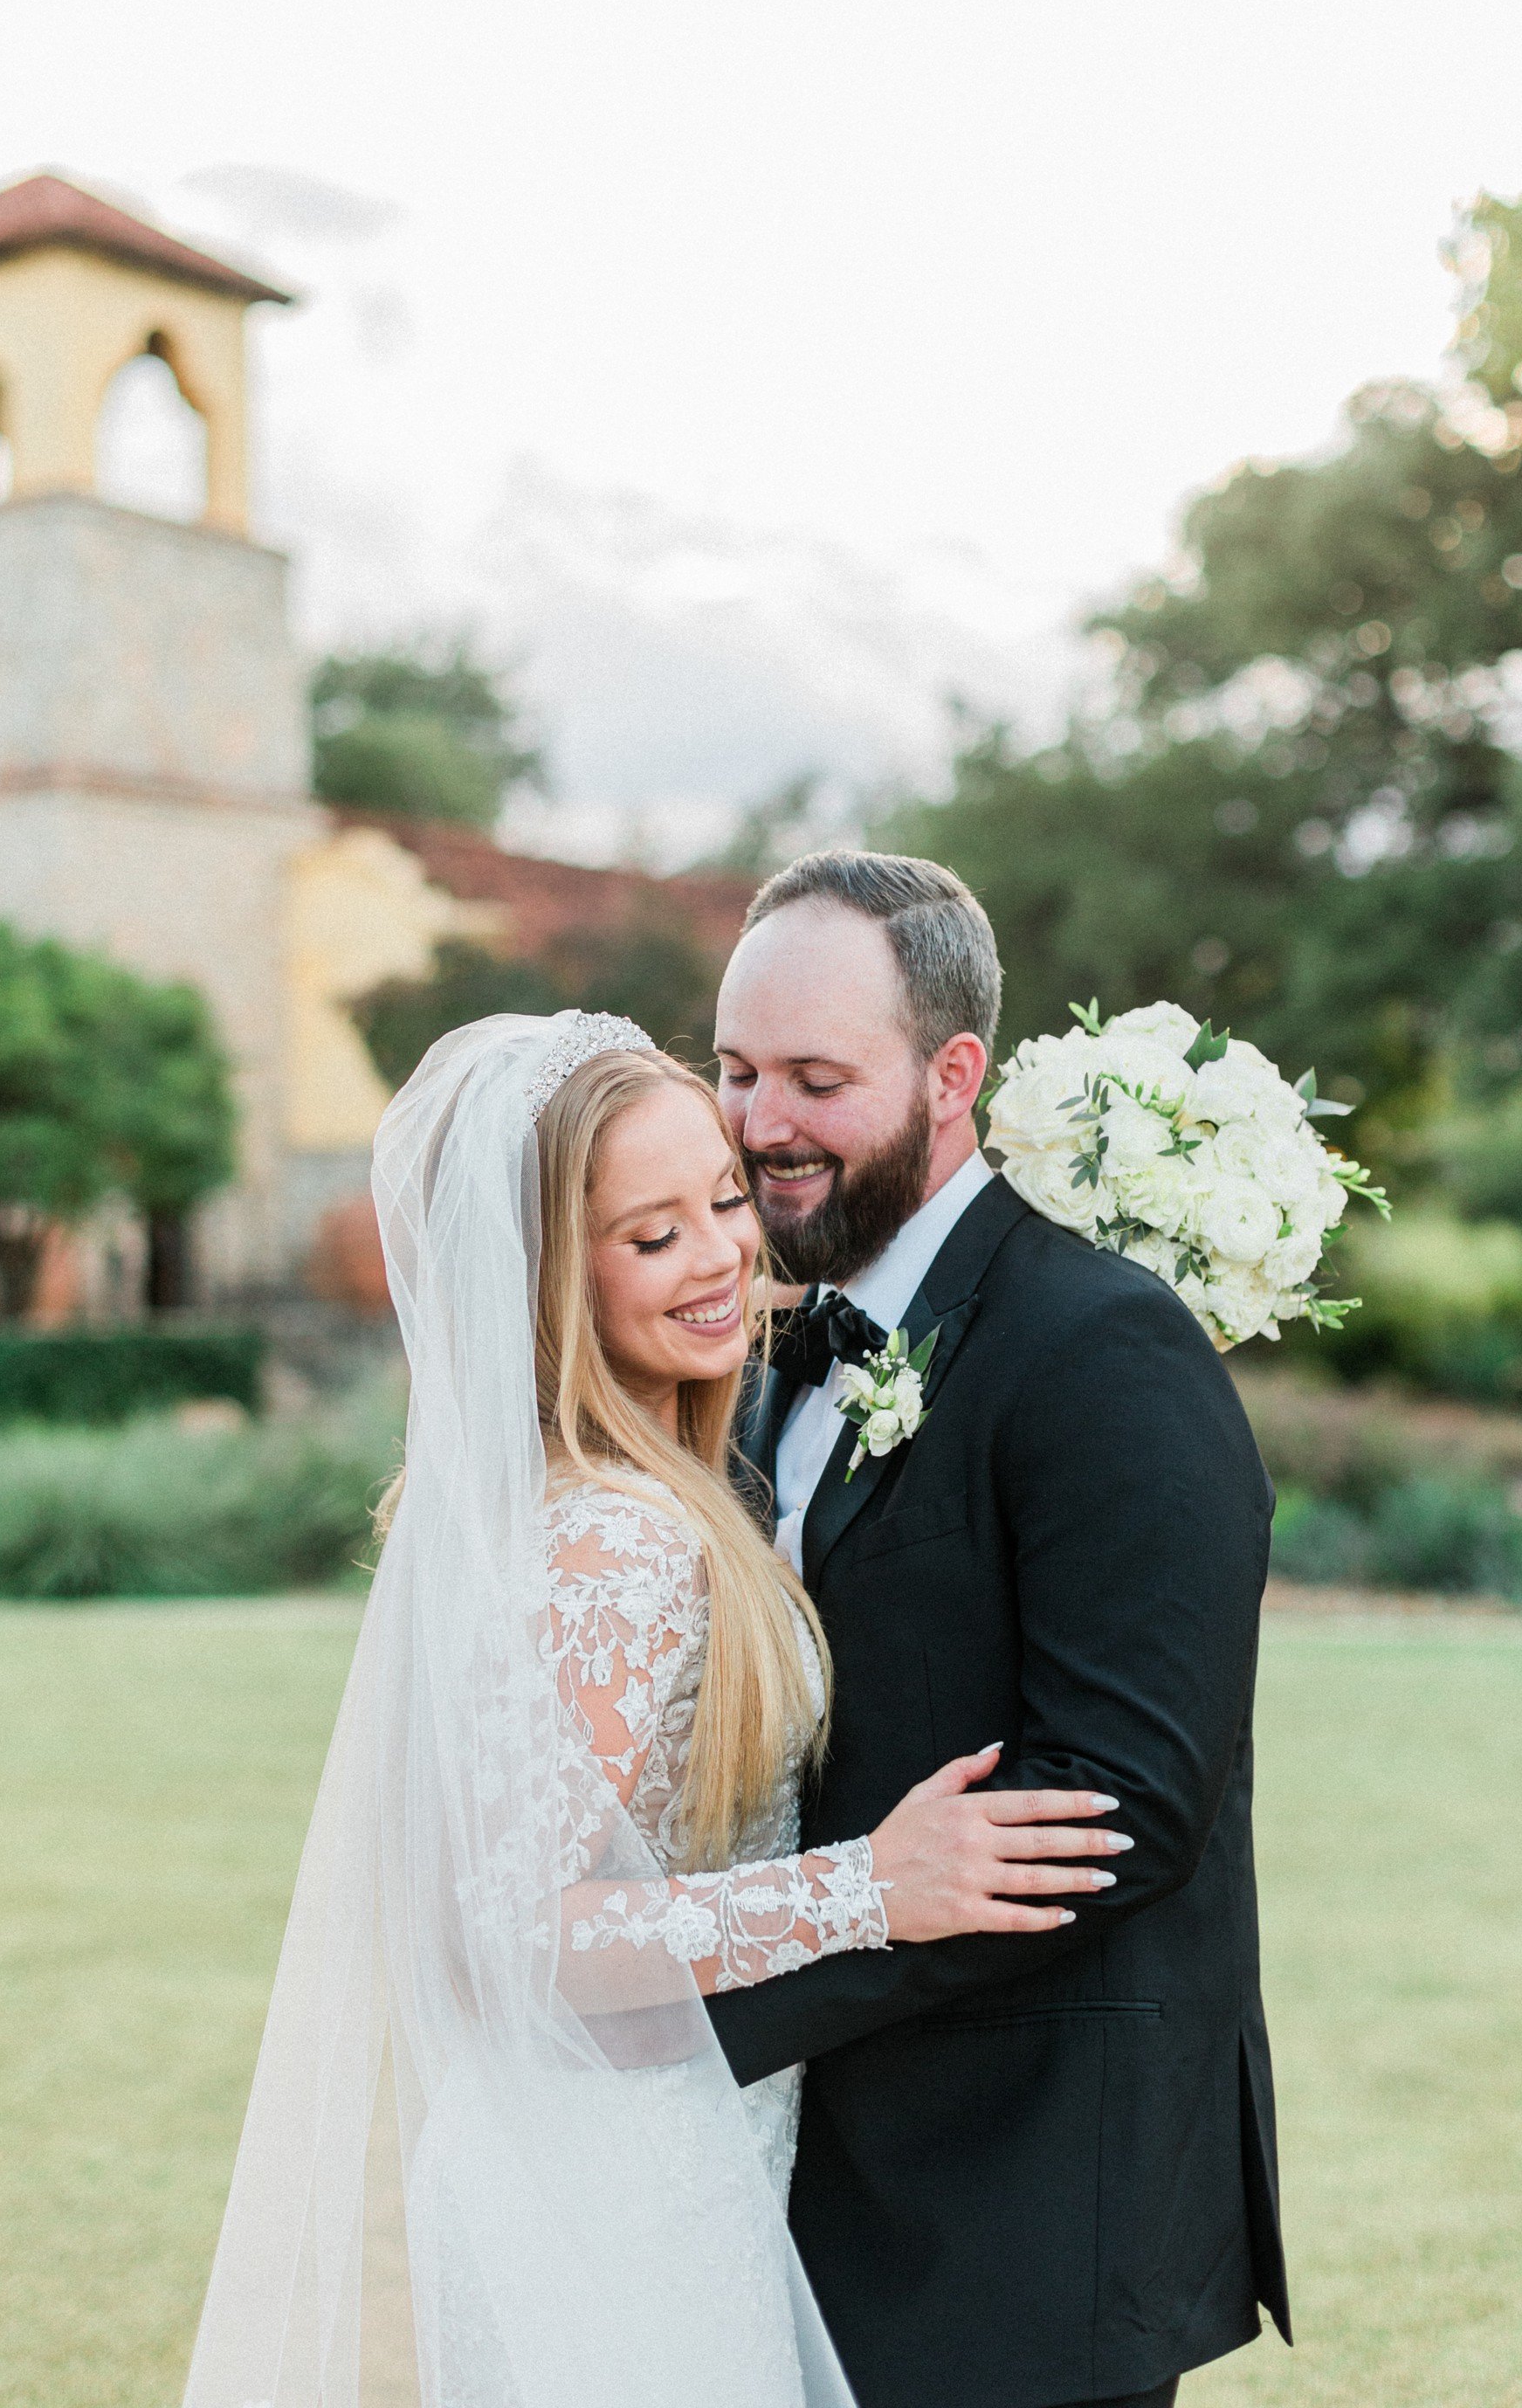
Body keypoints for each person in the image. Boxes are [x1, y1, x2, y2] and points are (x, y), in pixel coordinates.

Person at [182, 1010, 1119, 2408]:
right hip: (615, 2182)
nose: (724, 1256)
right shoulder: (617, 1543)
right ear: (553, 1276)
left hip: (643, 2149)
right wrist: (869, 1887)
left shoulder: (627, 1497)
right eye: (650, 1235)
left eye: (725, 1200)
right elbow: (523, 1930)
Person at [706, 852, 1291, 2408]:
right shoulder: (774, 1345)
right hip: (820, 2176)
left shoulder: (1105, 1350)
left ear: (954, 1075)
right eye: (738, 1070)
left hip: (1029, 2210)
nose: (763, 1123)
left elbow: (1123, 1804)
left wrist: (737, 2001)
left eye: (819, 1079)